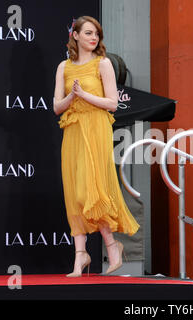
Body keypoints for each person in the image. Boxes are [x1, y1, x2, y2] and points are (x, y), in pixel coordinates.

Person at [53, 16, 139, 277]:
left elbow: (113, 103)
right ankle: (81, 255)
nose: (94, 38)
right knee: (74, 193)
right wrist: (71, 96)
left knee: (91, 192)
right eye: (89, 33)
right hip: (74, 130)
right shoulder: (63, 67)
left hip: (97, 130)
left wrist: (84, 95)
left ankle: (112, 245)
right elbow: (57, 107)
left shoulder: (103, 64)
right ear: (75, 35)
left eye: (97, 34)